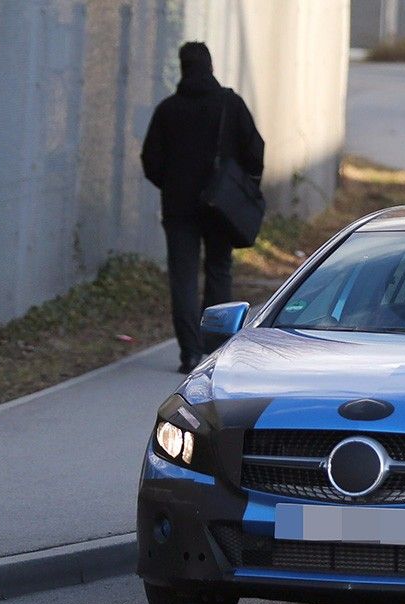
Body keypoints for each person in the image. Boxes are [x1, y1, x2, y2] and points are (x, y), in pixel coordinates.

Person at [141, 42, 264, 374]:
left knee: (183, 278)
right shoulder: (230, 104)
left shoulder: (167, 110)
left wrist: (171, 184)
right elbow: (255, 150)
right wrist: (242, 183)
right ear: (210, 67)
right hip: (221, 207)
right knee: (218, 271)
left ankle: (189, 353)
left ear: (182, 68)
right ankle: (216, 349)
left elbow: (150, 161)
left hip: (178, 207)